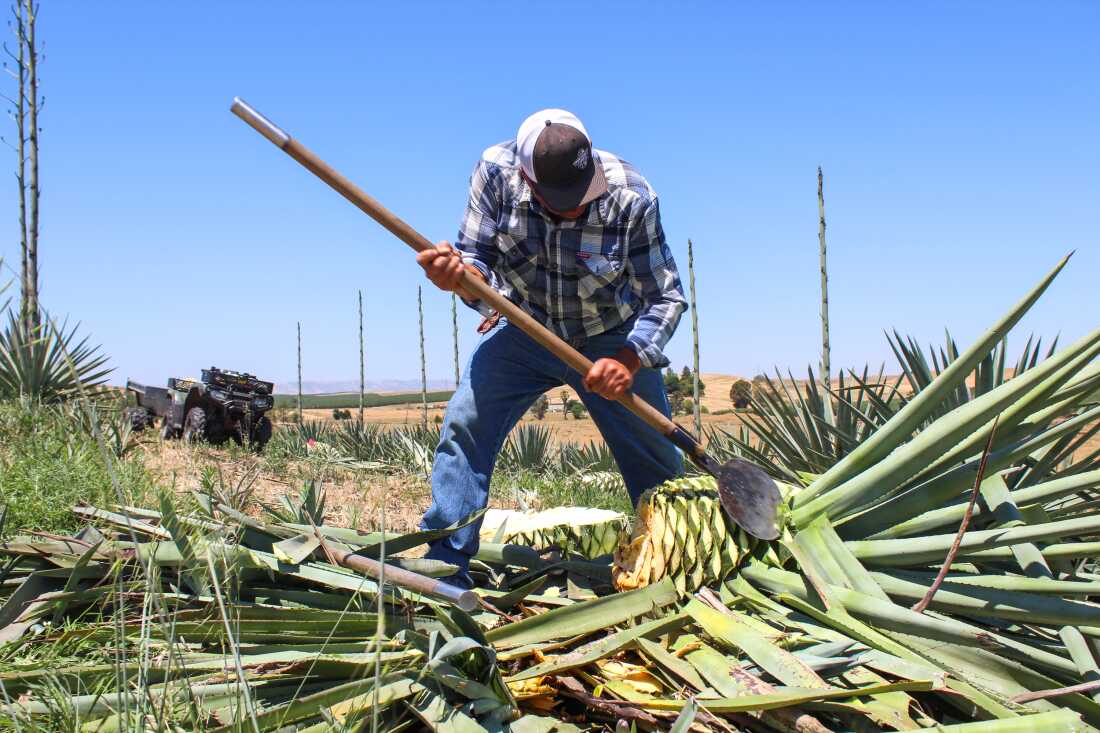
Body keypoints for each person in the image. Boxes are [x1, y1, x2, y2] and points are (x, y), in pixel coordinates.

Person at [417, 109, 687, 587]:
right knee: (466, 422)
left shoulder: (631, 197)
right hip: (527, 329)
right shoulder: (495, 174)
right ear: (526, 176)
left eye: (582, 195)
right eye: (559, 199)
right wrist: (458, 279)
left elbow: (665, 295)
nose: (573, 208)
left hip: (610, 339)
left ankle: (678, 567)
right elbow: (476, 263)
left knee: (658, 469)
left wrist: (628, 360)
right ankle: (445, 566)